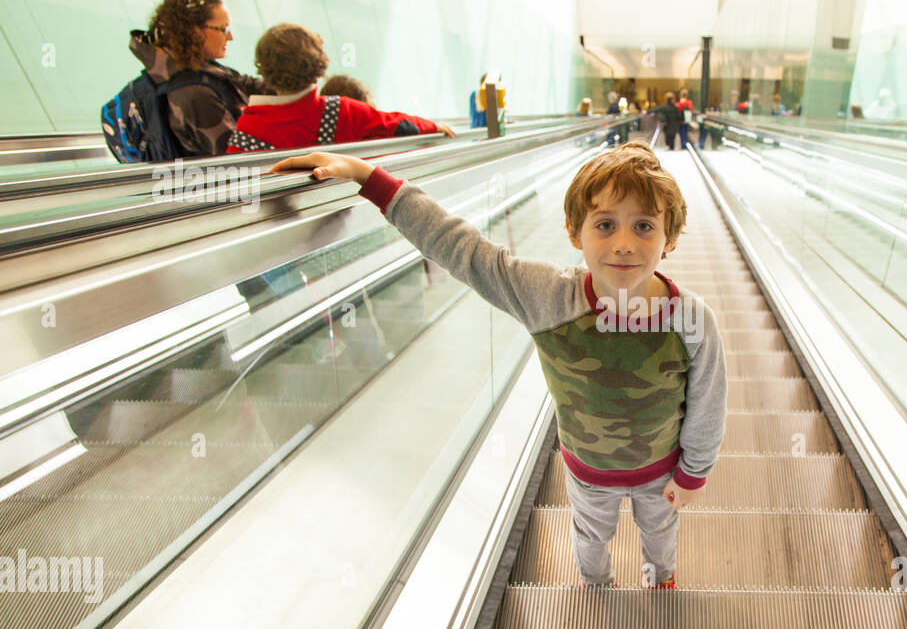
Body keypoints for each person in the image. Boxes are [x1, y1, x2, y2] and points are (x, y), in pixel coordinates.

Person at [270, 141, 727, 590]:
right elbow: (462, 249)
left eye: (644, 226)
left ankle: (659, 580)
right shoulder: (547, 296)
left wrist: (693, 475)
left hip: (661, 471)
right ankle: (598, 590)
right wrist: (369, 179)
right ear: (574, 232)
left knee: (660, 535)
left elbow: (708, 404)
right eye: (605, 225)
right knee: (591, 538)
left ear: (670, 236)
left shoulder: (691, 319)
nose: (624, 244)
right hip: (588, 472)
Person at [226, 23, 452, 152]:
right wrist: (433, 126)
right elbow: (395, 124)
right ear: (317, 64)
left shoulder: (248, 128)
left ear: (263, 67)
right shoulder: (342, 111)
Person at [128, 0, 269, 156]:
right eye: (223, 29)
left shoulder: (198, 70)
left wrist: (294, 82)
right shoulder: (193, 93)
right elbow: (235, 158)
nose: (230, 36)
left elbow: (244, 84)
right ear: (195, 32)